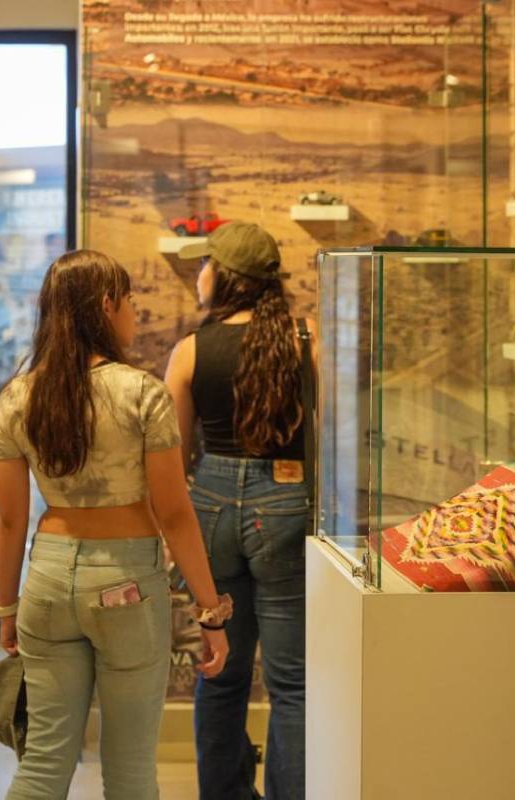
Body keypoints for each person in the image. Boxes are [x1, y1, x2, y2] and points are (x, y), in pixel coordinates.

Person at [0, 249, 230, 799]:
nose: (134, 312)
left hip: (46, 580)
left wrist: (6, 607)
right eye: (129, 300)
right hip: (126, 582)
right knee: (128, 769)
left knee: (44, 761)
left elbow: (8, 519)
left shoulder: (17, 396)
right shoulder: (141, 392)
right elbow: (173, 514)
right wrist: (210, 611)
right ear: (106, 306)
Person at [165, 222, 314, 800]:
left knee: (220, 671)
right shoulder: (305, 339)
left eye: (206, 262)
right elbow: (328, 439)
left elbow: (173, 461)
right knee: (293, 683)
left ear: (223, 276)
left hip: (212, 507)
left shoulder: (190, 351)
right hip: (287, 505)